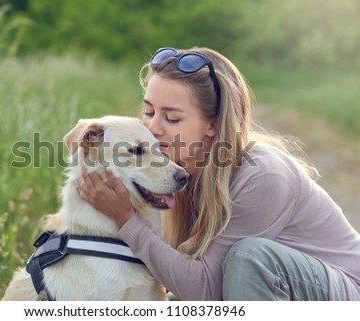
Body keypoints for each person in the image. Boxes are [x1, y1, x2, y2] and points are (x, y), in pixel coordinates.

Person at [77, 47, 360, 300]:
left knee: (249, 257)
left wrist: (126, 219)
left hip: (345, 295)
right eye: (149, 112)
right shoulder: (177, 171)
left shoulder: (262, 177)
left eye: (172, 118)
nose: (152, 128)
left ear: (212, 125)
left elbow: (207, 293)